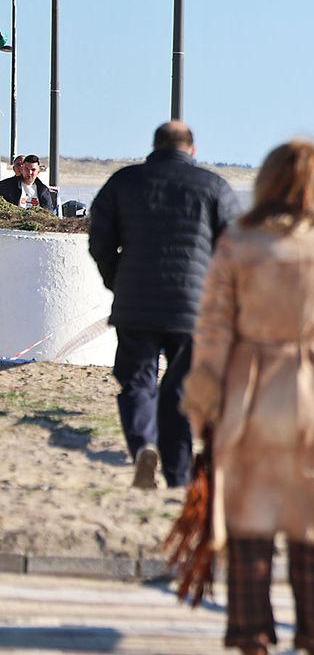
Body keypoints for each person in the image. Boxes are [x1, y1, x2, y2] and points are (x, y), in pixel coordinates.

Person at [182, 138, 314, 655]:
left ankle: (252, 649)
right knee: (313, 524)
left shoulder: (239, 242)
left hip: (252, 388)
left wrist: (202, 404)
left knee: (250, 523)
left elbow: (213, 328)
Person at [88, 121, 240, 489]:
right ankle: (177, 474)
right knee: (180, 389)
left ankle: (143, 444)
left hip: (136, 302)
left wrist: (116, 280)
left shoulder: (124, 181)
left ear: (155, 145)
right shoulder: (213, 186)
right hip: (193, 306)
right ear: (193, 149)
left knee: (137, 381)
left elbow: (99, 239)